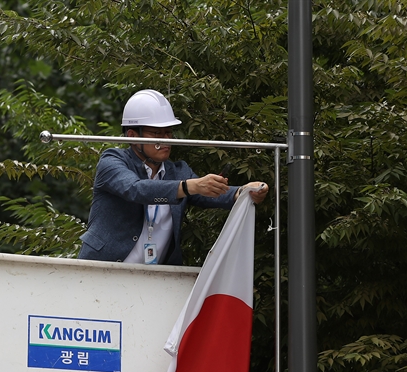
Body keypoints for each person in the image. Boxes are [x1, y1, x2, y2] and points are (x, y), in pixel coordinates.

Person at [78, 89, 269, 265]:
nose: (166, 139)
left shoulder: (179, 171)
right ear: (132, 135)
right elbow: (135, 189)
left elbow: (207, 193)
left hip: (157, 278)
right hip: (102, 269)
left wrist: (243, 192)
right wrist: (188, 187)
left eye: (168, 132)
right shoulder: (112, 160)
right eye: (156, 133)